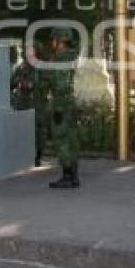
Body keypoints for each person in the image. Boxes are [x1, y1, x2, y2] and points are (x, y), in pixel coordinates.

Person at [47, 28, 81, 189]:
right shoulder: (71, 56)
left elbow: (60, 84)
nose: (52, 43)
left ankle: (68, 176)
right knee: (71, 138)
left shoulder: (60, 59)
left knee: (62, 139)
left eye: (54, 40)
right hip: (69, 101)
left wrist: (58, 107)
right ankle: (73, 175)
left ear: (60, 41)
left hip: (61, 102)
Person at [11, 44, 49, 167]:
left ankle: (37, 156)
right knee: (22, 131)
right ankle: (22, 155)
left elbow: (46, 84)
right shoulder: (21, 68)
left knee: (38, 132)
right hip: (22, 104)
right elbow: (11, 83)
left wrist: (32, 85)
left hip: (38, 104)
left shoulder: (41, 68)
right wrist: (20, 83)